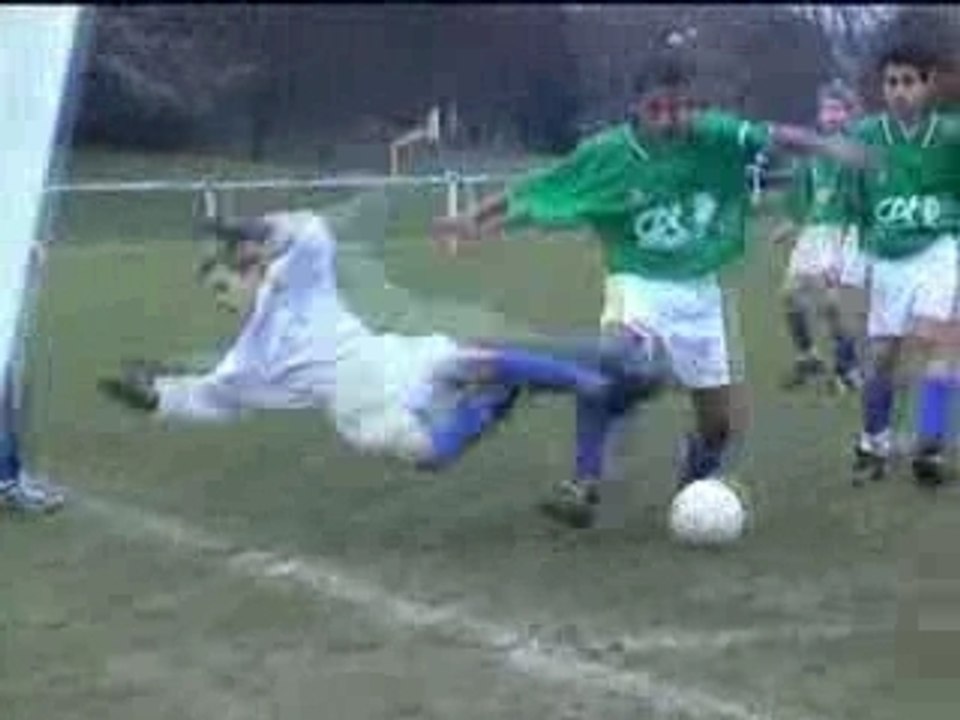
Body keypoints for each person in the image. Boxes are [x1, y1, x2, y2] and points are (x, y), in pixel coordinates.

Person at [433, 51, 874, 528]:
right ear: (636, 107)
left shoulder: (715, 134)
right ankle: (567, 459)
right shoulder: (609, 154)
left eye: (678, 108)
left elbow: (777, 136)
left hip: (701, 294)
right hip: (638, 282)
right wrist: (472, 218)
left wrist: (830, 148)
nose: (667, 120)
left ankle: (692, 490)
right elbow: (542, 187)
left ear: (693, 106)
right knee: (620, 360)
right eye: (655, 109)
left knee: (718, 427)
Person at [97, 210, 670, 473]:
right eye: (215, 294)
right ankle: (499, 401)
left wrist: (262, 230)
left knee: (481, 360)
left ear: (253, 270)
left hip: (400, 360)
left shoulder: (294, 285)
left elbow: (313, 235)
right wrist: (155, 398)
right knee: (429, 456)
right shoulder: (245, 362)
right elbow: (209, 400)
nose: (224, 299)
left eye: (226, 283)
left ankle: (594, 380)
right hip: (366, 412)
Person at [846, 35, 960, 487]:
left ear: (928, 84)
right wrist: (855, 260)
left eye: (909, 81)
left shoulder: (950, 136)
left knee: (936, 341)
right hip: (888, 259)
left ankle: (930, 446)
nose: (899, 91)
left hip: (939, 250)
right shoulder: (866, 137)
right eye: (891, 82)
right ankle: (874, 440)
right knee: (883, 357)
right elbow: (857, 207)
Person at [772, 79, 864, 393]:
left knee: (833, 303)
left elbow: (862, 199)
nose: (831, 115)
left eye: (837, 109)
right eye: (827, 109)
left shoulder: (856, 151)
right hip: (815, 232)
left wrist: (848, 245)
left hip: (845, 231)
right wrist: (790, 224)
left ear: (849, 114)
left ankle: (848, 369)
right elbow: (805, 196)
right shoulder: (812, 152)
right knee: (789, 295)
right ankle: (808, 356)